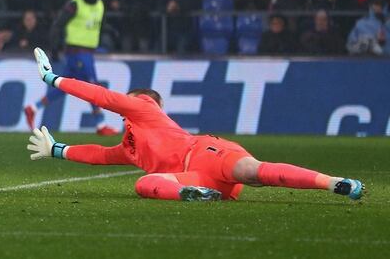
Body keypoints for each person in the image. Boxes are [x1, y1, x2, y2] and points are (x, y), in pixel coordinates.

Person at [26, 48, 364, 201]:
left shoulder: (144, 107)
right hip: (195, 178)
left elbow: (103, 97)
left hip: (207, 153)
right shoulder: (130, 146)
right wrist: (58, 150)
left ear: (144, 99)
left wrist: (53, 79)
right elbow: (100, 154)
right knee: (145, 184)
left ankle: (333, 183)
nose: (124, 105)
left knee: (255, 172)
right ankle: (193, 194)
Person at [23, 0, 119, 136]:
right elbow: (58, 24)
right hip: (77, 52)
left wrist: (109, 31)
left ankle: (33, 108)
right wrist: (54, 48)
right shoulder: (75, 4)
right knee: (93, 86)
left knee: (65, 86)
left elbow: (96, 25)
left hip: (87, 51)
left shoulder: (100, 4)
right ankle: (101, 124)